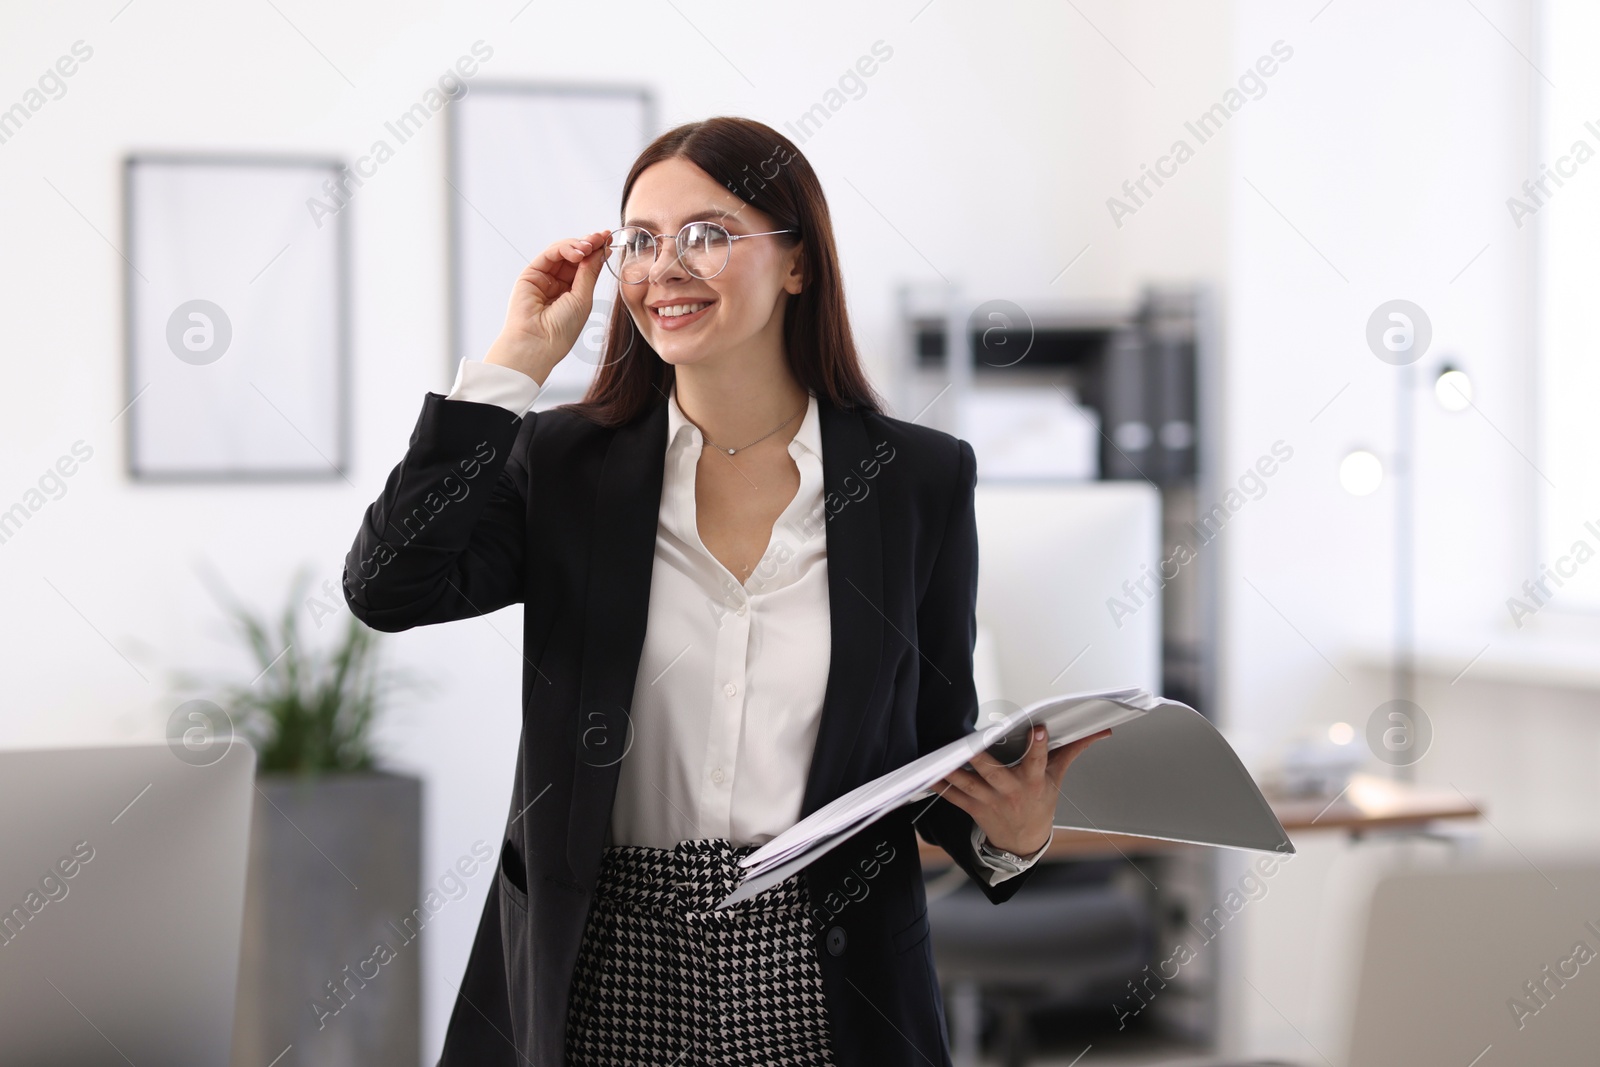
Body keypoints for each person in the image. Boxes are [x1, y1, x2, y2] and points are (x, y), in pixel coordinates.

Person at [343, 115, 1109, 1067]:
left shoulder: (917, 479)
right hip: (602, 963)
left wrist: (1012, 835)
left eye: (707, 233)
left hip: (821, 969)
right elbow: (389, 584)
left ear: (797, 263)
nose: (665, 266)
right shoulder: (564, 465)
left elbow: (925, 748)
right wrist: (515, 365)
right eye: (641, 240)